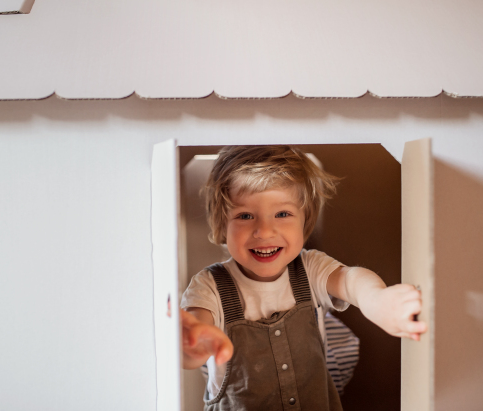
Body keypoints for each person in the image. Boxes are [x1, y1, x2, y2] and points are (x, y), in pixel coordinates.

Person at [181, 145, 426, 411]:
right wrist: (193, 344)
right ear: (222, 224)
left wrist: (375, 298)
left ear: (304, 221)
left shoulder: (310, 268)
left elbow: (349, 279)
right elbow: (195, 328)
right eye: (245, 215)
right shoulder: (209, 286)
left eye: (282, 214)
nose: (264, 231)